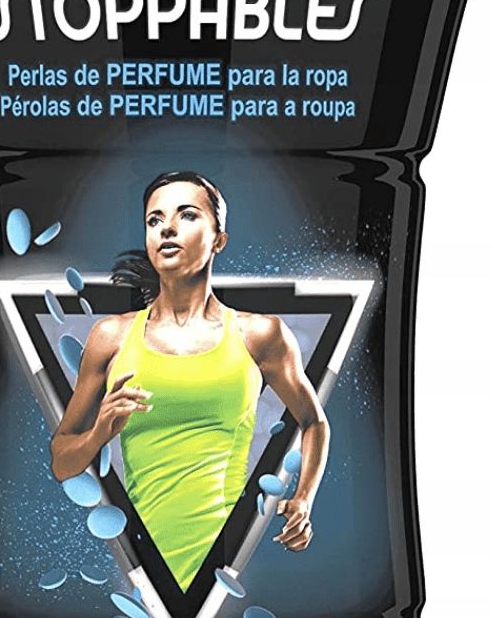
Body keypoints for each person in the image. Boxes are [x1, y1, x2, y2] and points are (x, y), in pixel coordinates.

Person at [50, 170, 329, 589]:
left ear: (219, 239)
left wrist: (303, 499)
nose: (168, 228)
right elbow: (62, 462)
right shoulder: (111, 337)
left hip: (231, 569)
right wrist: (98, 434)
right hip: (139, 576)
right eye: (155, 220)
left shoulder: (260, 334)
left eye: (187, 215)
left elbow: (314, 421)